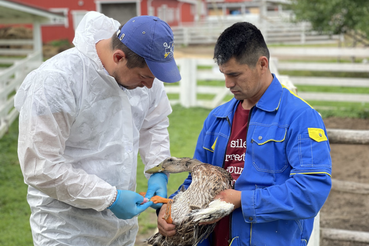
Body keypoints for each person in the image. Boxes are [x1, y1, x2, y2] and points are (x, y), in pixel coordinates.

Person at [156, 22, 332, 245]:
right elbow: (196, 178)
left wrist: (243, 200)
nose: (228, 84)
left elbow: (311, 192)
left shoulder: (301, 118)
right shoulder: (216, 118)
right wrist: (170, 208)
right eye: (224, 74)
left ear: (262, 64)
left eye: (235, 74)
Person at [14, 11, 180, 246]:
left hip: (121, 231)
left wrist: (159, 171)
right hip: (67, 229)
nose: (150, 85)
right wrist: (110, 198)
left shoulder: (144, 75)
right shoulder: (56, 81)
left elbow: (153, 124)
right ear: (119, 57)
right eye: (144, 77)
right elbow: (41, 165)